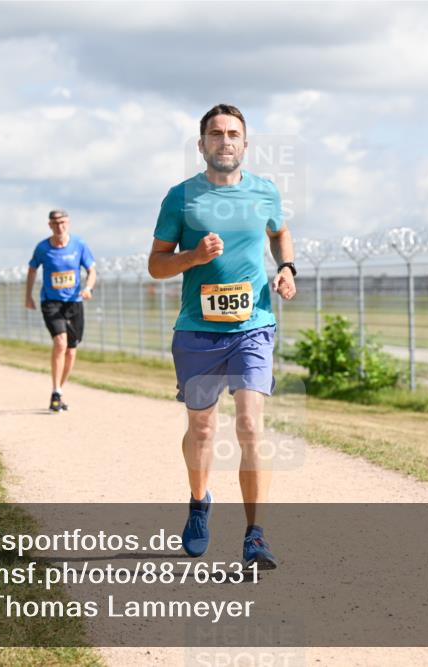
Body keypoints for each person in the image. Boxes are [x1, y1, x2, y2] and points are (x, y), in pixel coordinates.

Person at [148, 104, 297, 569]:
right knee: (203, 428)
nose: (225, 140)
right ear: (201, 145)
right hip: (197, 330)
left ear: (245, 144)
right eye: (216, 134)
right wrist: (192, 257)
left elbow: (280, 232)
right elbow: (156, 265)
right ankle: (199, 502)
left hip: (253, 325)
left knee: (250, 425)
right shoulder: (180, 198)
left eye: (233, 134)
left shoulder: (265, 191)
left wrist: (287, 268)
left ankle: (256, 535)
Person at [24, 208, 97, 412]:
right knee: (60, 342)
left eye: (63, 222)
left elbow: (91, 270)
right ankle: (56, 390)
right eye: (55, 223)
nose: (59, 226)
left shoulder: (79, 245)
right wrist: (28, 295)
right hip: (51, 302)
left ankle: (59, 391)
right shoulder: (42, 248)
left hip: (74, 302)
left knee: (71, 351)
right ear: (50, 225)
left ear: (68, 223)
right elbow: (32, 269)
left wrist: (88, 288)